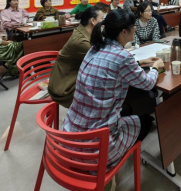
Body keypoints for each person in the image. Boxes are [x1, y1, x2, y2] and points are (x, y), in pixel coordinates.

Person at [63, 10, 164, 168]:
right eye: (133, 26)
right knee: (146, 121)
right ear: (124, 32)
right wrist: (156, 67)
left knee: (127, 108)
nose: (135, 28)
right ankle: (112, 162)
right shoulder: (122, 56)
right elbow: (148, 84)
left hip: (70, 136)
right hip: (94, 148)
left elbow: (113, 65)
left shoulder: (94, 48)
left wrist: (141, 62)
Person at [48, 7, 104, 108]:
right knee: (106, 88)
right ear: (93, 21)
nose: (103, 22)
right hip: (65, 88)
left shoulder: (82, 31)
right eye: (102, 19)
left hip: (71, 78)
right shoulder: (81, 41)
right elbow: (101, 62)